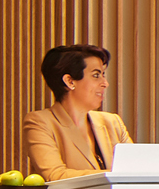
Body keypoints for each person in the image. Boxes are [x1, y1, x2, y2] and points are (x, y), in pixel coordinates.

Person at [24, 43, 133, 181]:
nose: (105, 83)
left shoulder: (113, 122)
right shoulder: (39, 122)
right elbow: (56, 175)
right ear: (70, 81)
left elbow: (133, 170)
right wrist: (114, 175)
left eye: (103, 75)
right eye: (96, 75)